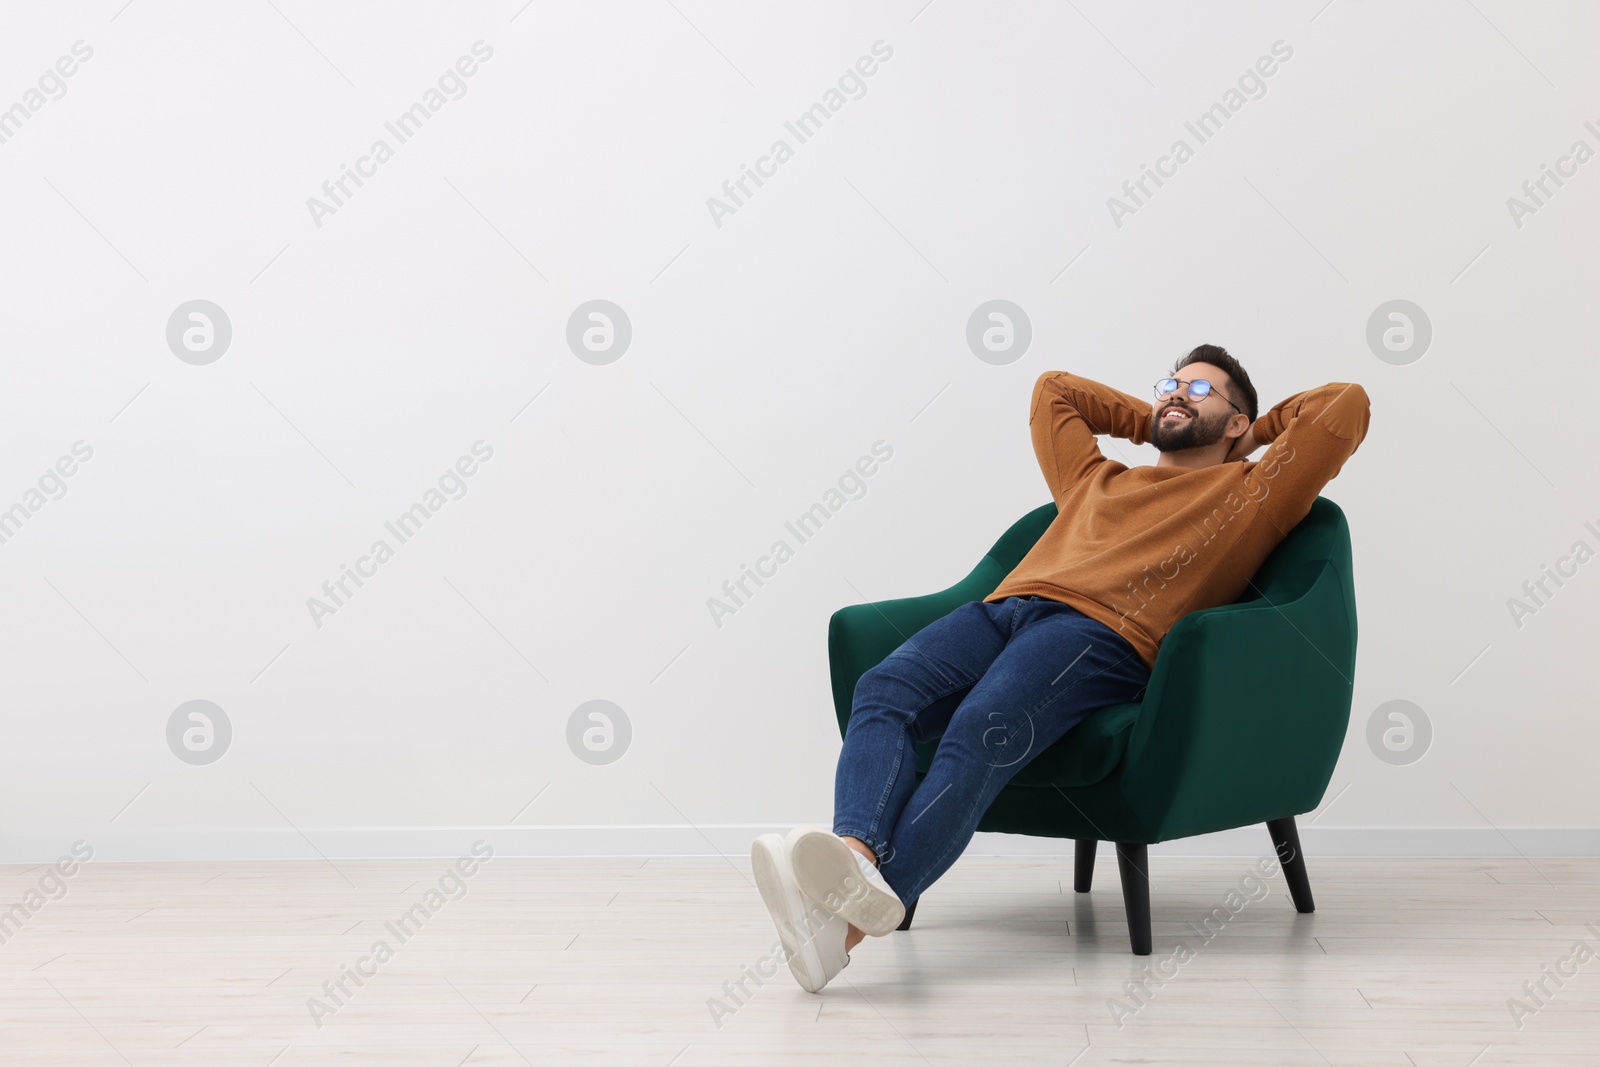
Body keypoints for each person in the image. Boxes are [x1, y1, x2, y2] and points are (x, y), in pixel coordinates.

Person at [751, 344, 1372, 992]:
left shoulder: (1252, 493)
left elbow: (1344, 406)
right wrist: (1160, 413)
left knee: (980, 729)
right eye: (1168, 384)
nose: (1175, 395)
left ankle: (843, 927)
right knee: (881, 688)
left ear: (1239, 420)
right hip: (1004, 609)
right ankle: (853, 859)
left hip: (1100, 634)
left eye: (1199, 390)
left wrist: (1254, 434)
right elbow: (1054, 392)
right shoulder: (1095, 480)